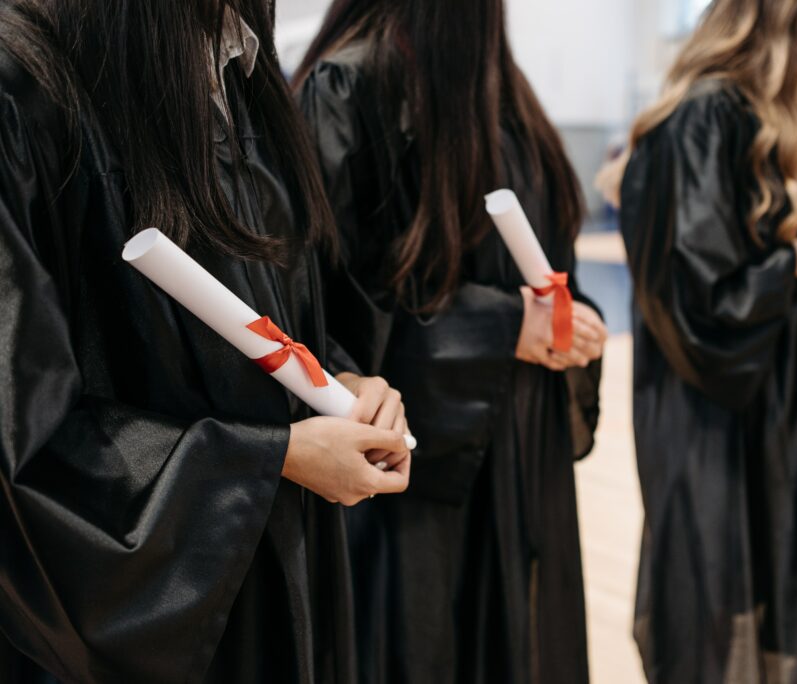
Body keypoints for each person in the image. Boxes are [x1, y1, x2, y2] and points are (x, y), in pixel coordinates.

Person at [0, 1, 411, 682]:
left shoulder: (237, 71)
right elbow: (23, 446)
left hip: (278, 573)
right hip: (151, 621)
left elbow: (279, 311)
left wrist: (346, 385)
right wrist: (269, 459)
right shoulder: (25, 85)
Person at [295, 1, 607, 681]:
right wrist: (498, 327)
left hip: (522, 449)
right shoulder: (351, 90)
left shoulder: (504, 92)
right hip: (423, 481)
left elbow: (551, 265)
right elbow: (330, 325)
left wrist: (570, 320)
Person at [598, 0, 797, 680]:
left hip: (783, 414)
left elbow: (782, 265)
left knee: (781, 598)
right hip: (711, 418)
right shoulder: (703, 120)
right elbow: (700, 303)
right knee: (713, 609)